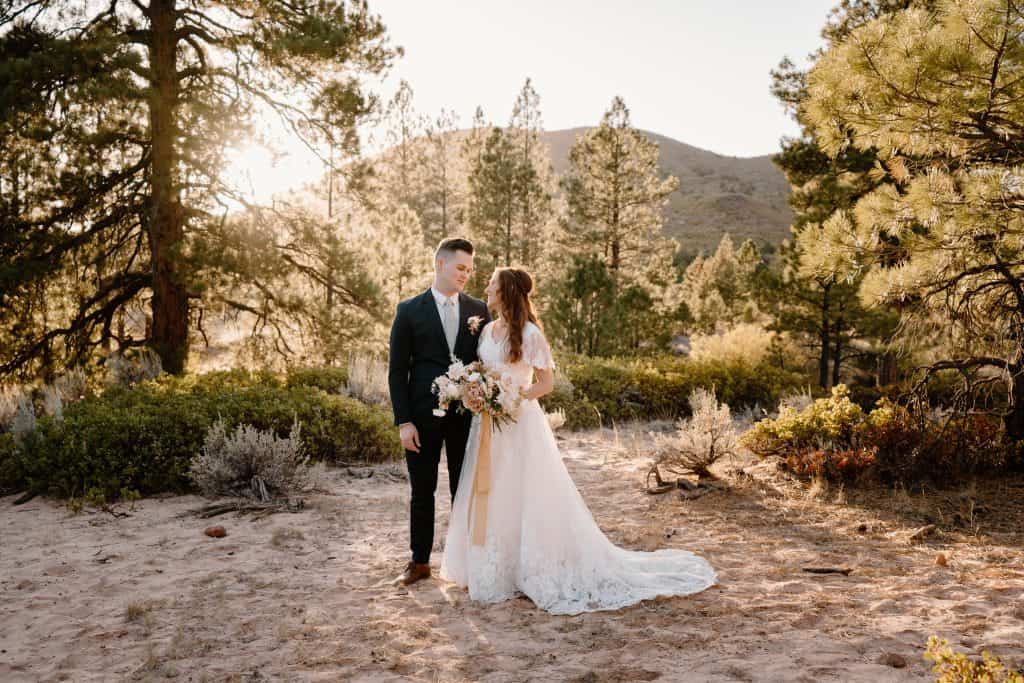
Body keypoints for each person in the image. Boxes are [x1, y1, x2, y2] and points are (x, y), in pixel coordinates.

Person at [440, 267, 717, 614]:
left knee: (523, 490)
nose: (487, 287)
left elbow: (545, 384)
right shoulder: (486, 331)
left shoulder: (530, 334)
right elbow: (484, 373)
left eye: (492, 284)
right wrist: (478, 393)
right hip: (487, 427)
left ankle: (529, 567)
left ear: (506, 291)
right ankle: (494, 568)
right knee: (492, 489)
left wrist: (509, 398)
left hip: (519, 422)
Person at [387, 237, 491, 586]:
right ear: (440, 264)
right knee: (422, 491)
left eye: (469, 270)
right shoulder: (408, 310)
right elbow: (397, 372)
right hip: (420, 418)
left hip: (466, 416)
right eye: (460, 268)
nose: (465, 275)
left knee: (465, 490)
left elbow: (487, 361)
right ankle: (419, 562)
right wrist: (404, 421)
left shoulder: (479, 309)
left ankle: (467, 562)